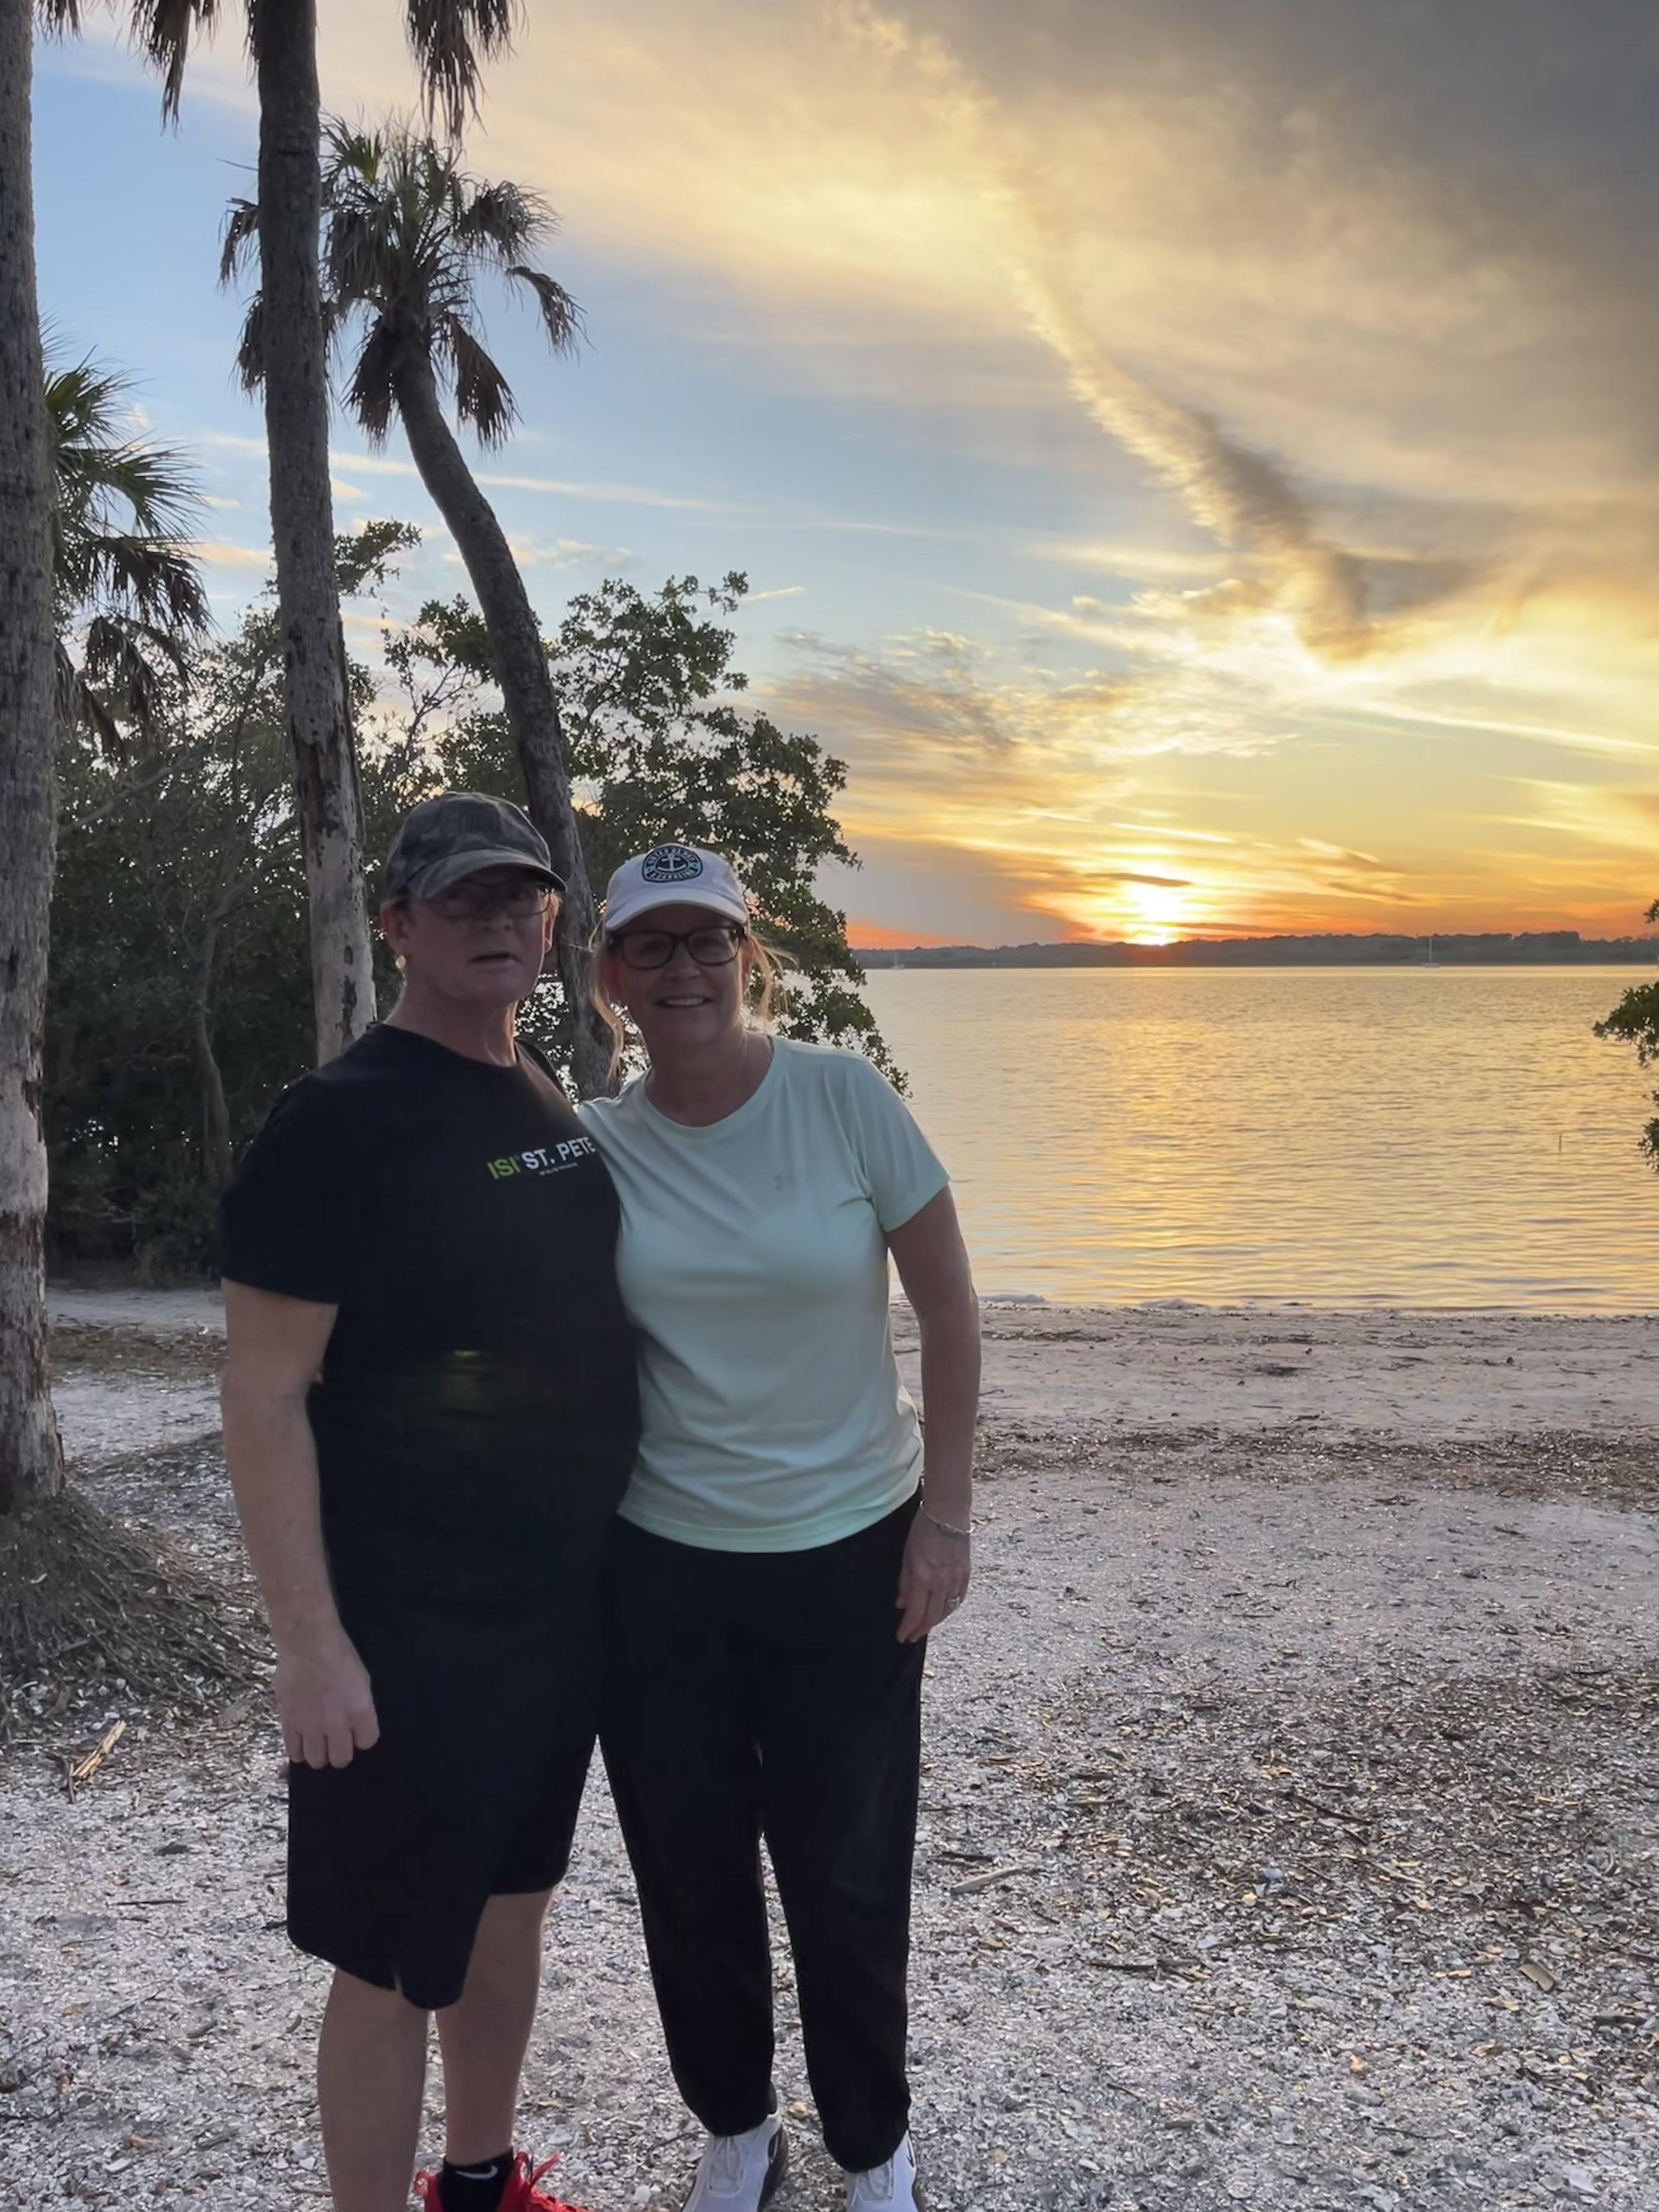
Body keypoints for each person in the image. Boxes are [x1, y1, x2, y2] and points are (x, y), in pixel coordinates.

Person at [218, 792, 641, 2212]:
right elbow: (265, 1391)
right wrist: (308, 1641)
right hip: (401, 1624)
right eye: (462, 902)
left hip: (552, 1619)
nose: (500, 924)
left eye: (520, 900)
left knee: (511, 1909)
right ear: (396, 924)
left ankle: (476, 2179)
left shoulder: (542, 1101)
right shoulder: (335, 1122)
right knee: (393, 1951)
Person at [578, 843, 981, 2212]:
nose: (682, 971)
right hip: (662, 1564)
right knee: (687, 1869)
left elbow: (951, 1309)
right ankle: (737, 2127)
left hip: (853, 1553)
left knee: (849, 1868)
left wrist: (948, 1518)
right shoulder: (596, 1142)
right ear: (610, 977)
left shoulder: (843, 1098)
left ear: (750, 958)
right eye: (652, 948)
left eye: (707, 944)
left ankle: (873, 2143)